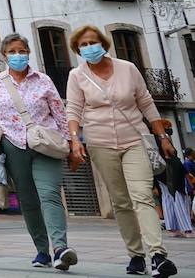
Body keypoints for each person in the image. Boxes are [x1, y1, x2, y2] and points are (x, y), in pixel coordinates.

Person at [65, 24, 178, 277]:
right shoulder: (77, 75)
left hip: (134, 140)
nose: (88, 47)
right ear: (77, 49)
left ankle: (158, 255)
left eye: (92, 42)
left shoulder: (127, 68)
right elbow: (73, 109)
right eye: (83, 45)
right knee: (121, 202)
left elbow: (146, 102)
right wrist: (75, 140)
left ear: (103, 44)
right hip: (100, 143)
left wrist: (162, 137)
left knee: (142, 196)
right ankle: (135, 255)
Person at [0, 33, 74, 269]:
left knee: (49, 194)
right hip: (13, 145)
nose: (17, 55)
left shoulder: (43, 80)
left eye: (21, 51)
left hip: (46, 143)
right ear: (4, 56)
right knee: (28, 200)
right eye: (12, 52)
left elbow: (60, 113)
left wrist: (72, 144)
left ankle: (60, 248)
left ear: (28, 53)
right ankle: (42, 251)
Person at [160, 143, 194, 239]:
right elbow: (177, 164)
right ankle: (187, 229)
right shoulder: (165, 144)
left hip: (161, 172)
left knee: (167, 197)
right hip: (173, 175)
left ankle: (173, 228)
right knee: (178, 199)